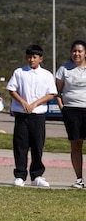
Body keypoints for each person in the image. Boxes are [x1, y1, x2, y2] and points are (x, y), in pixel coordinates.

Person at [7, 44, 56, 187]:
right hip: (22, 115)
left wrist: (35, 103)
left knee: (37, 145)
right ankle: (20, 175)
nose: (31, 60)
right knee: (20, 145)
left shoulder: (46, 75)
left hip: (38, 115)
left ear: (40, 59)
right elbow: (12, 89)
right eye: (29, 57)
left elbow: (51, 93)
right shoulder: (19, 72)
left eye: (34, 57)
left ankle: (37, 175)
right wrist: (23, 102)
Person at [55, 40, 86, 189]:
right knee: (76, 144)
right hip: (71, 111)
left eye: (80, 51)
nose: (77, 54)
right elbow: (57, 92)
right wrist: (63, 109)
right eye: (74, 51)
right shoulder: (64, 69)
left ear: (85, 53)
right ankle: (79, 179)